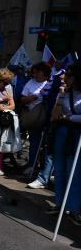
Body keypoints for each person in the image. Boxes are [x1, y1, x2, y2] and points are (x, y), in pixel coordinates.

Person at [47, 64, 81, 225]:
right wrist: (60, 97)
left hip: (77, 136)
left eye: (69, 75)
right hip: (62, 133)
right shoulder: (64, 93)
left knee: (74, 171)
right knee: (59, 169)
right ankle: (59, 203)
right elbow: (54, 115)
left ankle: (73, 208)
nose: (65, 77)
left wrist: (69, 118)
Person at [20, 62, 51, 176]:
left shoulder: (50, 84)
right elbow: (22, 100)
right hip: (32, 118)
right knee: (34, 142)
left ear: (45, 74)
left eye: (38, 72)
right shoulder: (30, 82)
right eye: (35, 72)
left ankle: (40, 167)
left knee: (43, 145)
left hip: (46, 118)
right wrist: (31, 98)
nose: (35, 74)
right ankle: (31, 165)